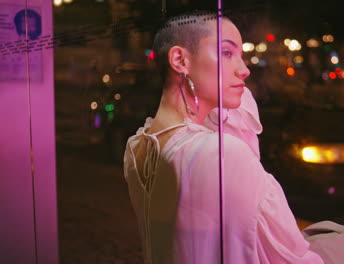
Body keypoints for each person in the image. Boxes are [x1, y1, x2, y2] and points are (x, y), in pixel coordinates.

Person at [123, 11, 324, 264]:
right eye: (227, 53)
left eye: (241, 55)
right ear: (179, 60)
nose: (244, 70)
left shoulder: (135, 147)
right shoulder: (220, 153)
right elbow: (292, 255)